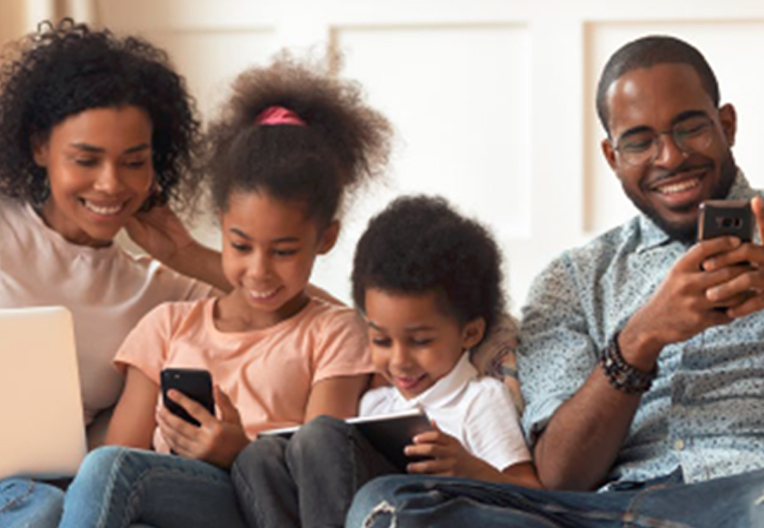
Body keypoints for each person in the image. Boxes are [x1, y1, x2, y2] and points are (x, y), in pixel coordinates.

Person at [345, 35, 764, 528]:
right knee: (390, 503)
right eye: (639, 141)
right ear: (612, 157)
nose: (669, 157)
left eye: (690, 128)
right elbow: (561, 475)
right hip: (599, 511)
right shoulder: (573, 280)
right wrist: (640, 338)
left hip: (747, 494)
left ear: (727, 125)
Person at [55, 51, 393, 528]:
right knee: (105, 467)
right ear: (221, 227)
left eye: (283, 251)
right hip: (183, 498)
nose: (259, 271)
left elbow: (325, 469)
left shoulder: (334, 332)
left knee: (113, 471)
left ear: (325, 240)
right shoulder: (169, 326)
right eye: (241, 245)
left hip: (269, 496)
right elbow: (119, 457)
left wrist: (238, 450)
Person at [0, 19, 229, 528]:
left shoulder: (157, 288)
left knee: (45, 510)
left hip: (57, 496)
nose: (110, 185)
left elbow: (325, 319)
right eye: (86, 159)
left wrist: (188, 255)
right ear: (40, 147)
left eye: (133, 162)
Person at [231, 195, 540, 528]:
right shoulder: (374, 404)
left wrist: (468, 468)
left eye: (420, 341)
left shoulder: (479, 400)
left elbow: (534, 495)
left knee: (321, 434)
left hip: (418, 515)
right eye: (380, 340)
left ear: (470, 333)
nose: (399, 361)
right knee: (259, 458)